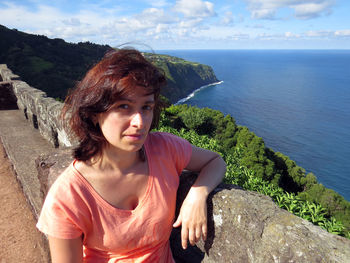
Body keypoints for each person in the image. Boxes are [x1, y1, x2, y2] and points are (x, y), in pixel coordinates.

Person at [37, 48, 226, 263]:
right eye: (124, 106)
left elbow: (215, 161)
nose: (140, 122)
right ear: (94, 114)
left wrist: (197, 195)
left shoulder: (165, 149)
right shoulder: (69, 196)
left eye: (146, 107)